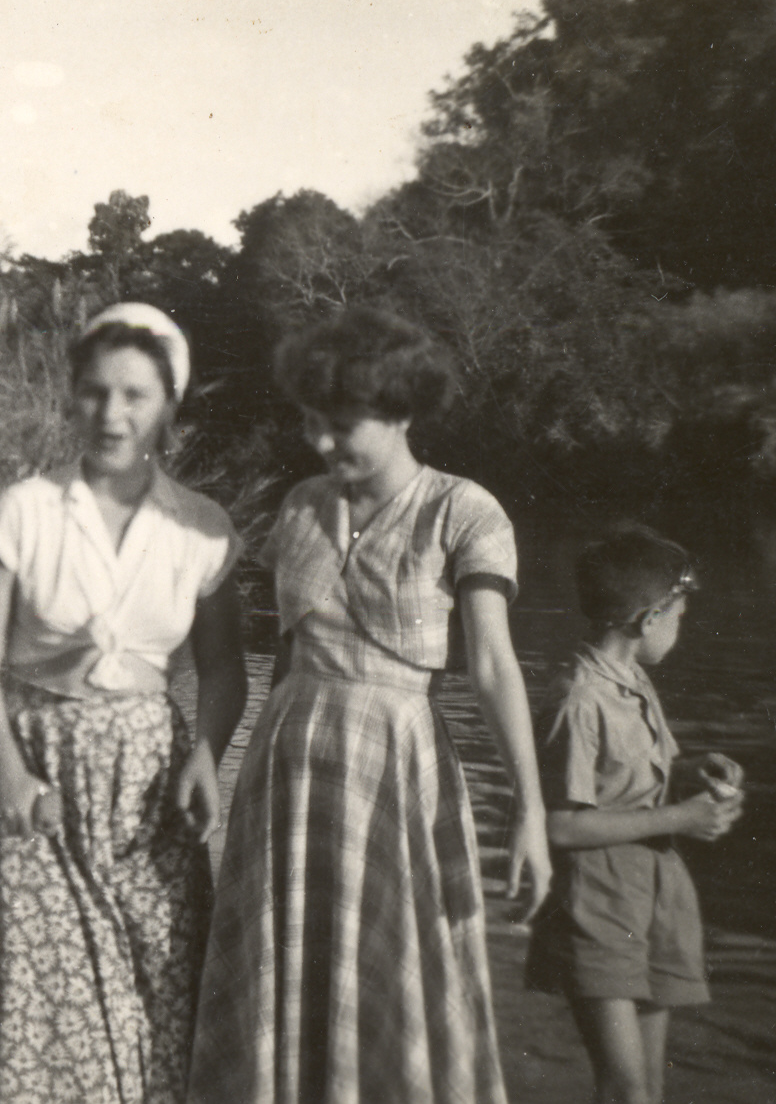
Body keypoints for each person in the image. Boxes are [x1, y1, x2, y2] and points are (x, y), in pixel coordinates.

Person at [191, 307, 552, 1104]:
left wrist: (529, 809)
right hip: (289, 770)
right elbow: (285, 656)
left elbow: (492, 665)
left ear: (402, 413)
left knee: (393, 977)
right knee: (281, 975)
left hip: (394, 765)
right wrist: (219, 763)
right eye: (311, 422)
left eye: (342, 425)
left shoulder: (463, 510)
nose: (321, 443)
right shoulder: (300, 506)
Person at [0, 302, 248, 1103]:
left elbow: (223, 670)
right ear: (70, 398)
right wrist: (7, 772)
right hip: (34, 771)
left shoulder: (203, 528)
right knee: (41, 1001)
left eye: (135, 395)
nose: (111, 414)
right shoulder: (20, 514)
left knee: (160, 980)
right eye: (93, 392)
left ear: (168, 407)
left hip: (150, 783)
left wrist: (207, 756)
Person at [523, 527, 746, 1104]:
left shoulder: (632, 681)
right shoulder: (578, 699)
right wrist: (682, 819)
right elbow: (561, 825)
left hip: (654, 895)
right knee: (625, 1089)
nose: (680, 629)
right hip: (595, 905)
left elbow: (647, 777)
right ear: (649, 620)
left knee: (649, 1088)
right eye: (679, 618)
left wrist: (697, 771)